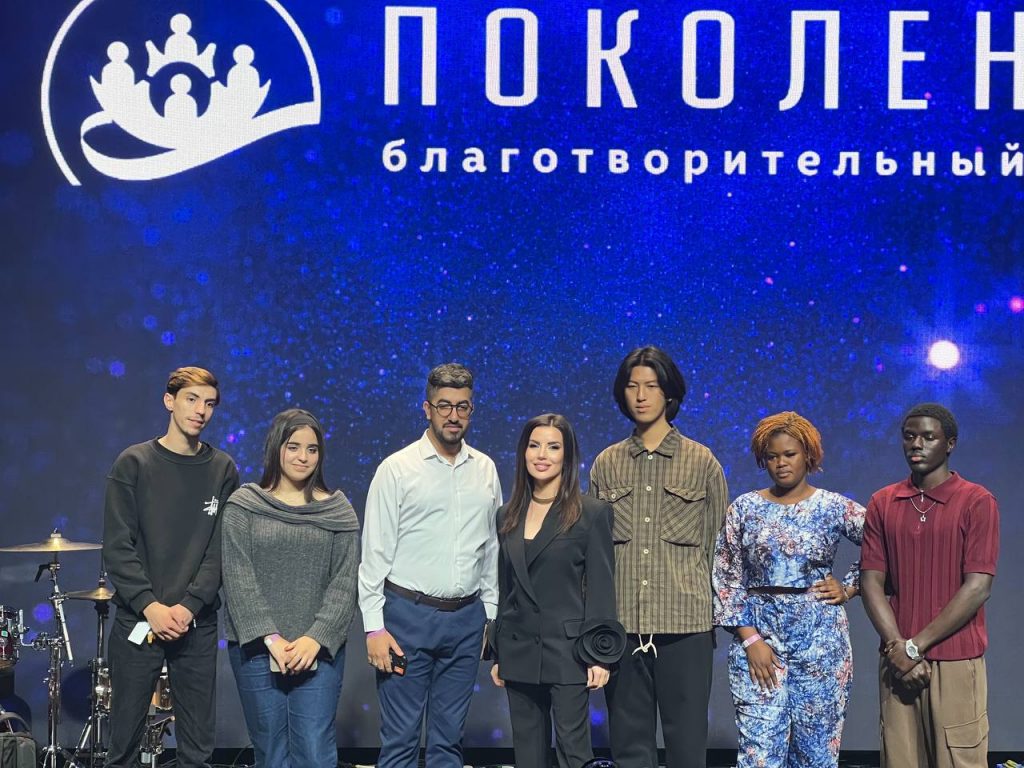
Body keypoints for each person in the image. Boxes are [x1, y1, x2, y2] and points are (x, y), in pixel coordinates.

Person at [589, 345, 728, 768]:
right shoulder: (607, 464)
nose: (641, 395)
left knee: (687, 743)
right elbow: (595, 556)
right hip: (623, 628)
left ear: (669, 393)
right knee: (629, 745)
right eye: (632, 386)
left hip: (686, 627)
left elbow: (718, 548)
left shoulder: (701, 461)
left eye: (651, 386)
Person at [358, 363, 502, 768]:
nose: (453, 415)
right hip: (406, 619)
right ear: (427, 409)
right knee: (401, 743)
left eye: (462, 406)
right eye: (444, 406)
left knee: (448, 743)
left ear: (471, 410)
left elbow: (491, 550)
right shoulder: (397, 469)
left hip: (467, 622)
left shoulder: (486, 469)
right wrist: (373, 628)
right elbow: (374, 555)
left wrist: (491, 618)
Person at [102, 366, 239, 768]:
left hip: (196, 624)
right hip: (139, 620)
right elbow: (117, 547)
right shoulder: (134, 463)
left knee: (197, 752)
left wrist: (189, 606)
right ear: (169, 401)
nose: (201, 411)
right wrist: (151, 606)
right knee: (123, 748)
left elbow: (219, 551)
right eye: (191, 400)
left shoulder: (222, 469)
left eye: (209, 403)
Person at [712, 411, 865, 767]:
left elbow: (886, 544)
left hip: (821, 642)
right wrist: (750, 639)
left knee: (816, 754)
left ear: (808, 455)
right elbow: (726, 574)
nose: (780, 463)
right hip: (760, 640)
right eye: (772, 456)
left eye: (789, 454)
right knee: (759, 754)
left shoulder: (832, 506)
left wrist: (849, 587)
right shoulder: (745, 508)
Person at [860, 403, 999, 768]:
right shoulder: (883, 502)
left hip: (955, 661)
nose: (916, 444)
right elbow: (871, 581)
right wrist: (899, 648)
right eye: (909, 436)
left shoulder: (976, 501)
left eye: (928, 437)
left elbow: (977, 587)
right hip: (897, 663)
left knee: (959, 759)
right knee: (900, 760)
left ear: (950, 444)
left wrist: (915, 647)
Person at [222, 409, 360, 767]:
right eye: (294, 447)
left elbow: (345, 582)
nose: (303, 457)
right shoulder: (245, 505)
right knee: (270, 751)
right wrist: (271, 638)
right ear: (276, 448)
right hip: (256, 648)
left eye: (312, 449)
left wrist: (315, 638)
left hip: (319, 649)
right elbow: (237, 576)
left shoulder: (338, 511)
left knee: (314, 750)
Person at [489, 414, 619, 768]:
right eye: (534, 445)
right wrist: (498, 653)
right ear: (523, 452)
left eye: (553, 446)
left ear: (568, 455)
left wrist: (600, 654)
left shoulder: (591, 513)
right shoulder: (506, 515)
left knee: (573, 752)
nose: (542, 455)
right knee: (527, 755)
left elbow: (602, 586)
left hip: (569, 653)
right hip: (518, 650)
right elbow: (505, 587)